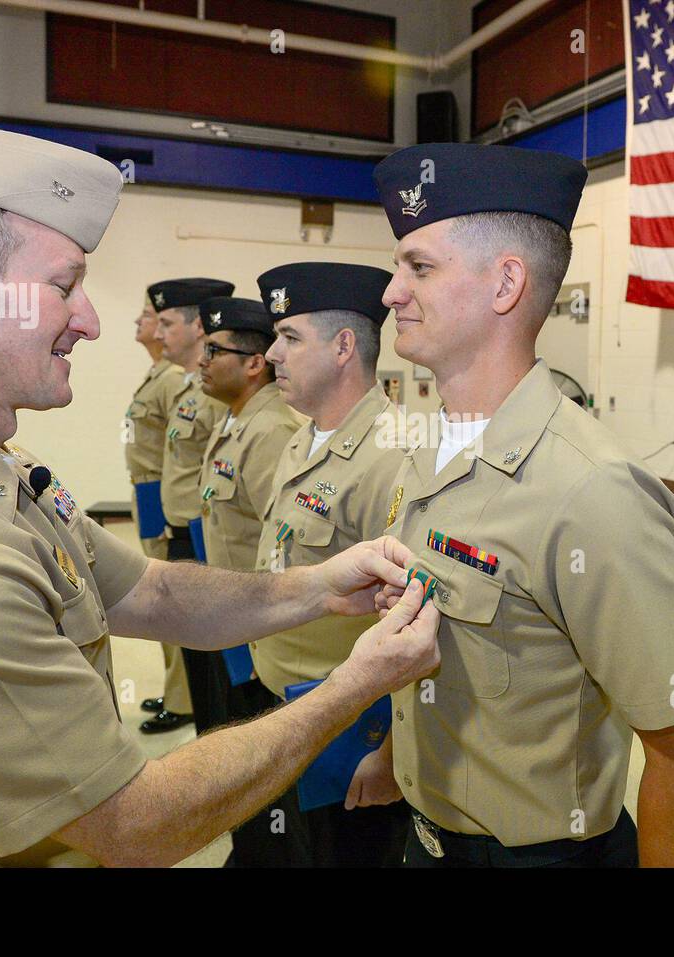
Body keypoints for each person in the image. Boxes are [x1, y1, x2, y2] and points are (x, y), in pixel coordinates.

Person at [0, 113, 439, 868]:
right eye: (64, 285)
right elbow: (133, 825)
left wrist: (317, 588)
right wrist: (351, 688)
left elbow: (150, 593)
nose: (90, 322)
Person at [372, 142, 674, 867]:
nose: (391, 292)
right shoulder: (425, 456)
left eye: (419, 267)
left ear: (506, 282)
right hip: (424, 835)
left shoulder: (591, 490)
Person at [245, 261, 411, 866]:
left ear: (345, 347)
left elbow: (415, 622)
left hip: (349, 722)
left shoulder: (393, 455)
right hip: (288, 696)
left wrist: (390, 750)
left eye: (289, 337)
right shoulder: (301, 438)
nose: (271, 355)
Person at [189, 295, 306, 864]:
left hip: (254, 629)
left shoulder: (269, 431)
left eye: (214, 350)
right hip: (228, 621)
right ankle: (250, 845)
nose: (201, 360)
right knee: (227, 743)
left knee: (255, 756)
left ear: (255, 362)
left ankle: (262, 850)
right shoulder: (237, 420)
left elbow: (277, 549)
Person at [152, 277, 232, 734]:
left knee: (214, 666)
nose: (158, 333)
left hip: (205, 538)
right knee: (194, 655)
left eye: (167, 323)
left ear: (196, 325)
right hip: (180, 527)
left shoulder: (215, 396)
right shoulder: (186, 389)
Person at [124, 291, 194, 733]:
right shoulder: (157, 374)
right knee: (157, 592)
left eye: (150, 316)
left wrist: (168, 502)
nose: (141, 320)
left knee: (168, 595)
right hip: (147, 491)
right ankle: (175, 689)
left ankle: (183, 698)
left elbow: (179, 449)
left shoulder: (172, 379)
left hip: (158, 492)